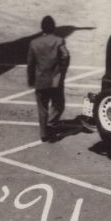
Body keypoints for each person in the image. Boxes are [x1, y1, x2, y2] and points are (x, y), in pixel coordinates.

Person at [26, 15, 70, 143]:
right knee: (59, 105)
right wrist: (62, 71)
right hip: (55, 80)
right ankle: (51, 123)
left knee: (42, 107)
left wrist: (30, 78)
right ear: (54, 27)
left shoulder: (34, 43)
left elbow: (30, 63)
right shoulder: (59, 41)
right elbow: (66, 56)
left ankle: (44, 133)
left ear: (42, 28)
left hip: (40, 80)